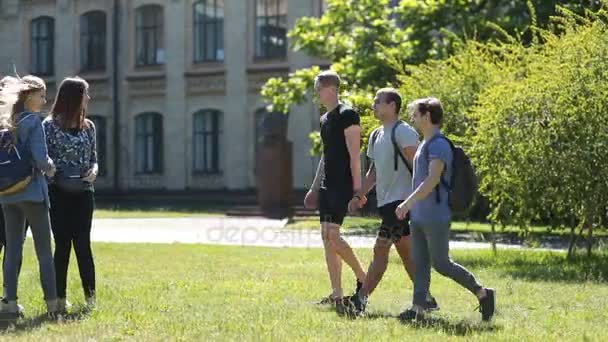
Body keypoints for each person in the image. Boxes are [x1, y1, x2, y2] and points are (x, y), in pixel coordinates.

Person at [395, 97, 495, 321]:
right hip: (419, 215)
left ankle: (483, 293)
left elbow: (432, 180)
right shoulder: (424, 144)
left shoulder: (439, 144)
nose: (413, 118)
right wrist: (411, 206)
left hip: (435, 215)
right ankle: (418, 309)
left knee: (441, 263)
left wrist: (407, 203)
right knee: (420, 263)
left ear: (427, 116)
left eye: (417, 114)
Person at [344, 88, 437, 316]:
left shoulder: (403, 131)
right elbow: (373, 173)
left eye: (378, 102)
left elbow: (420, 167)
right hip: (387, 204)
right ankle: (426, 299)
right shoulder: (376, 135)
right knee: (406, 254)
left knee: (380, 250)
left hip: (402, 204)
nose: (374, 105)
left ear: (392, 106)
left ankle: (360, 299)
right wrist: (359, 196)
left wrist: (415, 201)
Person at [304, 70, 366, 305]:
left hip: (343, 184)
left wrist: (358, 191)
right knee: (326, 236)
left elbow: (355, 156)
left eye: (318, 89)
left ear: (330, 89)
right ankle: (337, 293)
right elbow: (325, 155)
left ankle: (364, 280)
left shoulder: (347, 115)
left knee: (333, 235)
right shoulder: (325, 119)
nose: (316, 94)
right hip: (327, 185)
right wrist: (314, 187)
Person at [0, 75, 59, 317]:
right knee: (44, 250)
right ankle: (53, 304)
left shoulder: (5, 121)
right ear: (29, 95)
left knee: (12, 250)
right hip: (32, 193)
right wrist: (52, 168)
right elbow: (41, 160)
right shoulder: (32, 121)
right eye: (42, 95)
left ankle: (10, 303)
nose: (45, 100)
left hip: (6, 194)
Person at [44, 77, 98, 312]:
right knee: (63, 244)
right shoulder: (48, 126)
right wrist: (54, 173)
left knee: (84, 246)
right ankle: (58, 300)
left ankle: (91, 299)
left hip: (84, 193)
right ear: (75, 96)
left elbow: (94, 157)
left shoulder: (89, 126)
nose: (89, 97)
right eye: (86, 93)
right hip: (59, 193)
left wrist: (94, 171)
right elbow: (43, 159)